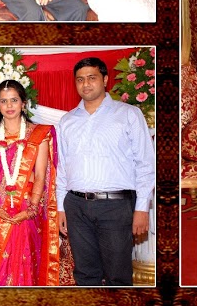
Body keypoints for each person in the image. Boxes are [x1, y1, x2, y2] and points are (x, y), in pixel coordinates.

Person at [54, 57, 153, 286]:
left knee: (118, 275)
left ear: (105, 80)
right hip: (76, 206)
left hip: (115, 206)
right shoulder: (67, 121)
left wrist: (142, 208)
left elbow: (145, 164)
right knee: (85, 275)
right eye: (80, 79)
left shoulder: (128, 114)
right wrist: (61, 207)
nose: (85, 84)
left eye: (92, 78)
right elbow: (62, 167)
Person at [0, 80, 63, 286]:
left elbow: (41, 175)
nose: (9, 105)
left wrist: (32, 209)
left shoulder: (39, 135)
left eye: (14, 100)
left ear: (23, 103)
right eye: (4, 101)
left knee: (27, 264)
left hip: (27, 211)